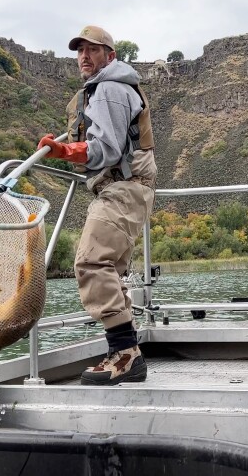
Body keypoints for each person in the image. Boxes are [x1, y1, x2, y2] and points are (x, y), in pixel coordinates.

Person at [37, 25, 157, 384]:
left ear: (110, 56)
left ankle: (125, 354)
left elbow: (105, 148)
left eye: (93, 50)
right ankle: (125, 351)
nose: (85, 57)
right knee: (108, 269)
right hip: (122, 188)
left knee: (91, 262)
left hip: (124, 187)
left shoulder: (108, 90)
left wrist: (63, 151)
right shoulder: (105, 89)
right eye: (80, 51)